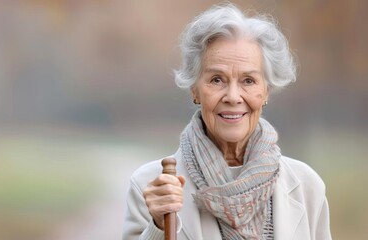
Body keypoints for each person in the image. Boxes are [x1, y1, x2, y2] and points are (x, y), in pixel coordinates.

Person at [122, 3, 331, 240]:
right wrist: (157, 228)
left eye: (248, 81)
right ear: (195, 89)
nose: (233, 97)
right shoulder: (151, 186)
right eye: (217, 79)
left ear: (266, 91)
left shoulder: (307, 186)